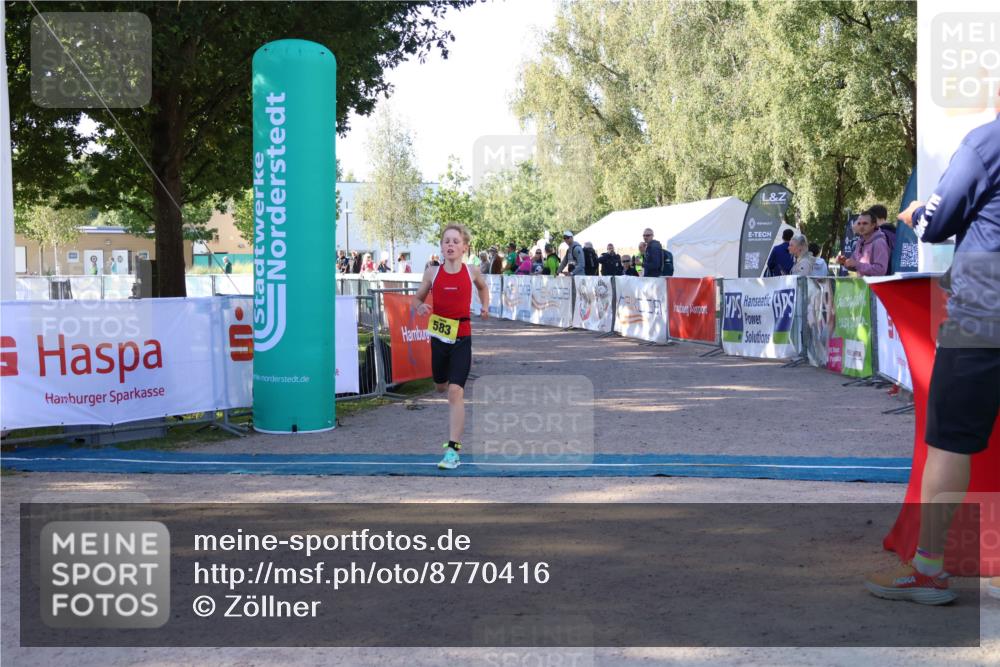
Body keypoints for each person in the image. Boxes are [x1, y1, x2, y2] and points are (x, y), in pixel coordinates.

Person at [865, 111, 1000, 605]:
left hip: (984, 316)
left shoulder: (987, 141)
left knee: (947, 444)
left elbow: (936, 222)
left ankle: (928, 571)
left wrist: (915, 211)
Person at [411, 223, 490, 470]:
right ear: (441, 246)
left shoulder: (472, 271)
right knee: (440, 387)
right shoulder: (432, 273)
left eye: (456, 241)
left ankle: (453, 451)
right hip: (439, 338)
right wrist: (420, 306)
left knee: (455, 392)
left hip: (462, 337)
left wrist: (485, 306)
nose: (451, 245)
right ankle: (441, 381)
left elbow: (483, 287)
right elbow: (416, 298)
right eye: (447, 241)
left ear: (465, 247)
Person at [836, 211, 889, 276]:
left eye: (865, 223)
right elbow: (856, 266)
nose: (861, 226)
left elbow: (880, 271)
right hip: (862, 284)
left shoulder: (879, 242)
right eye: (859, 223)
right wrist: (844, 262)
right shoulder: (860, 242)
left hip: (875, 285)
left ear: (873, 225)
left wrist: (856, 264)